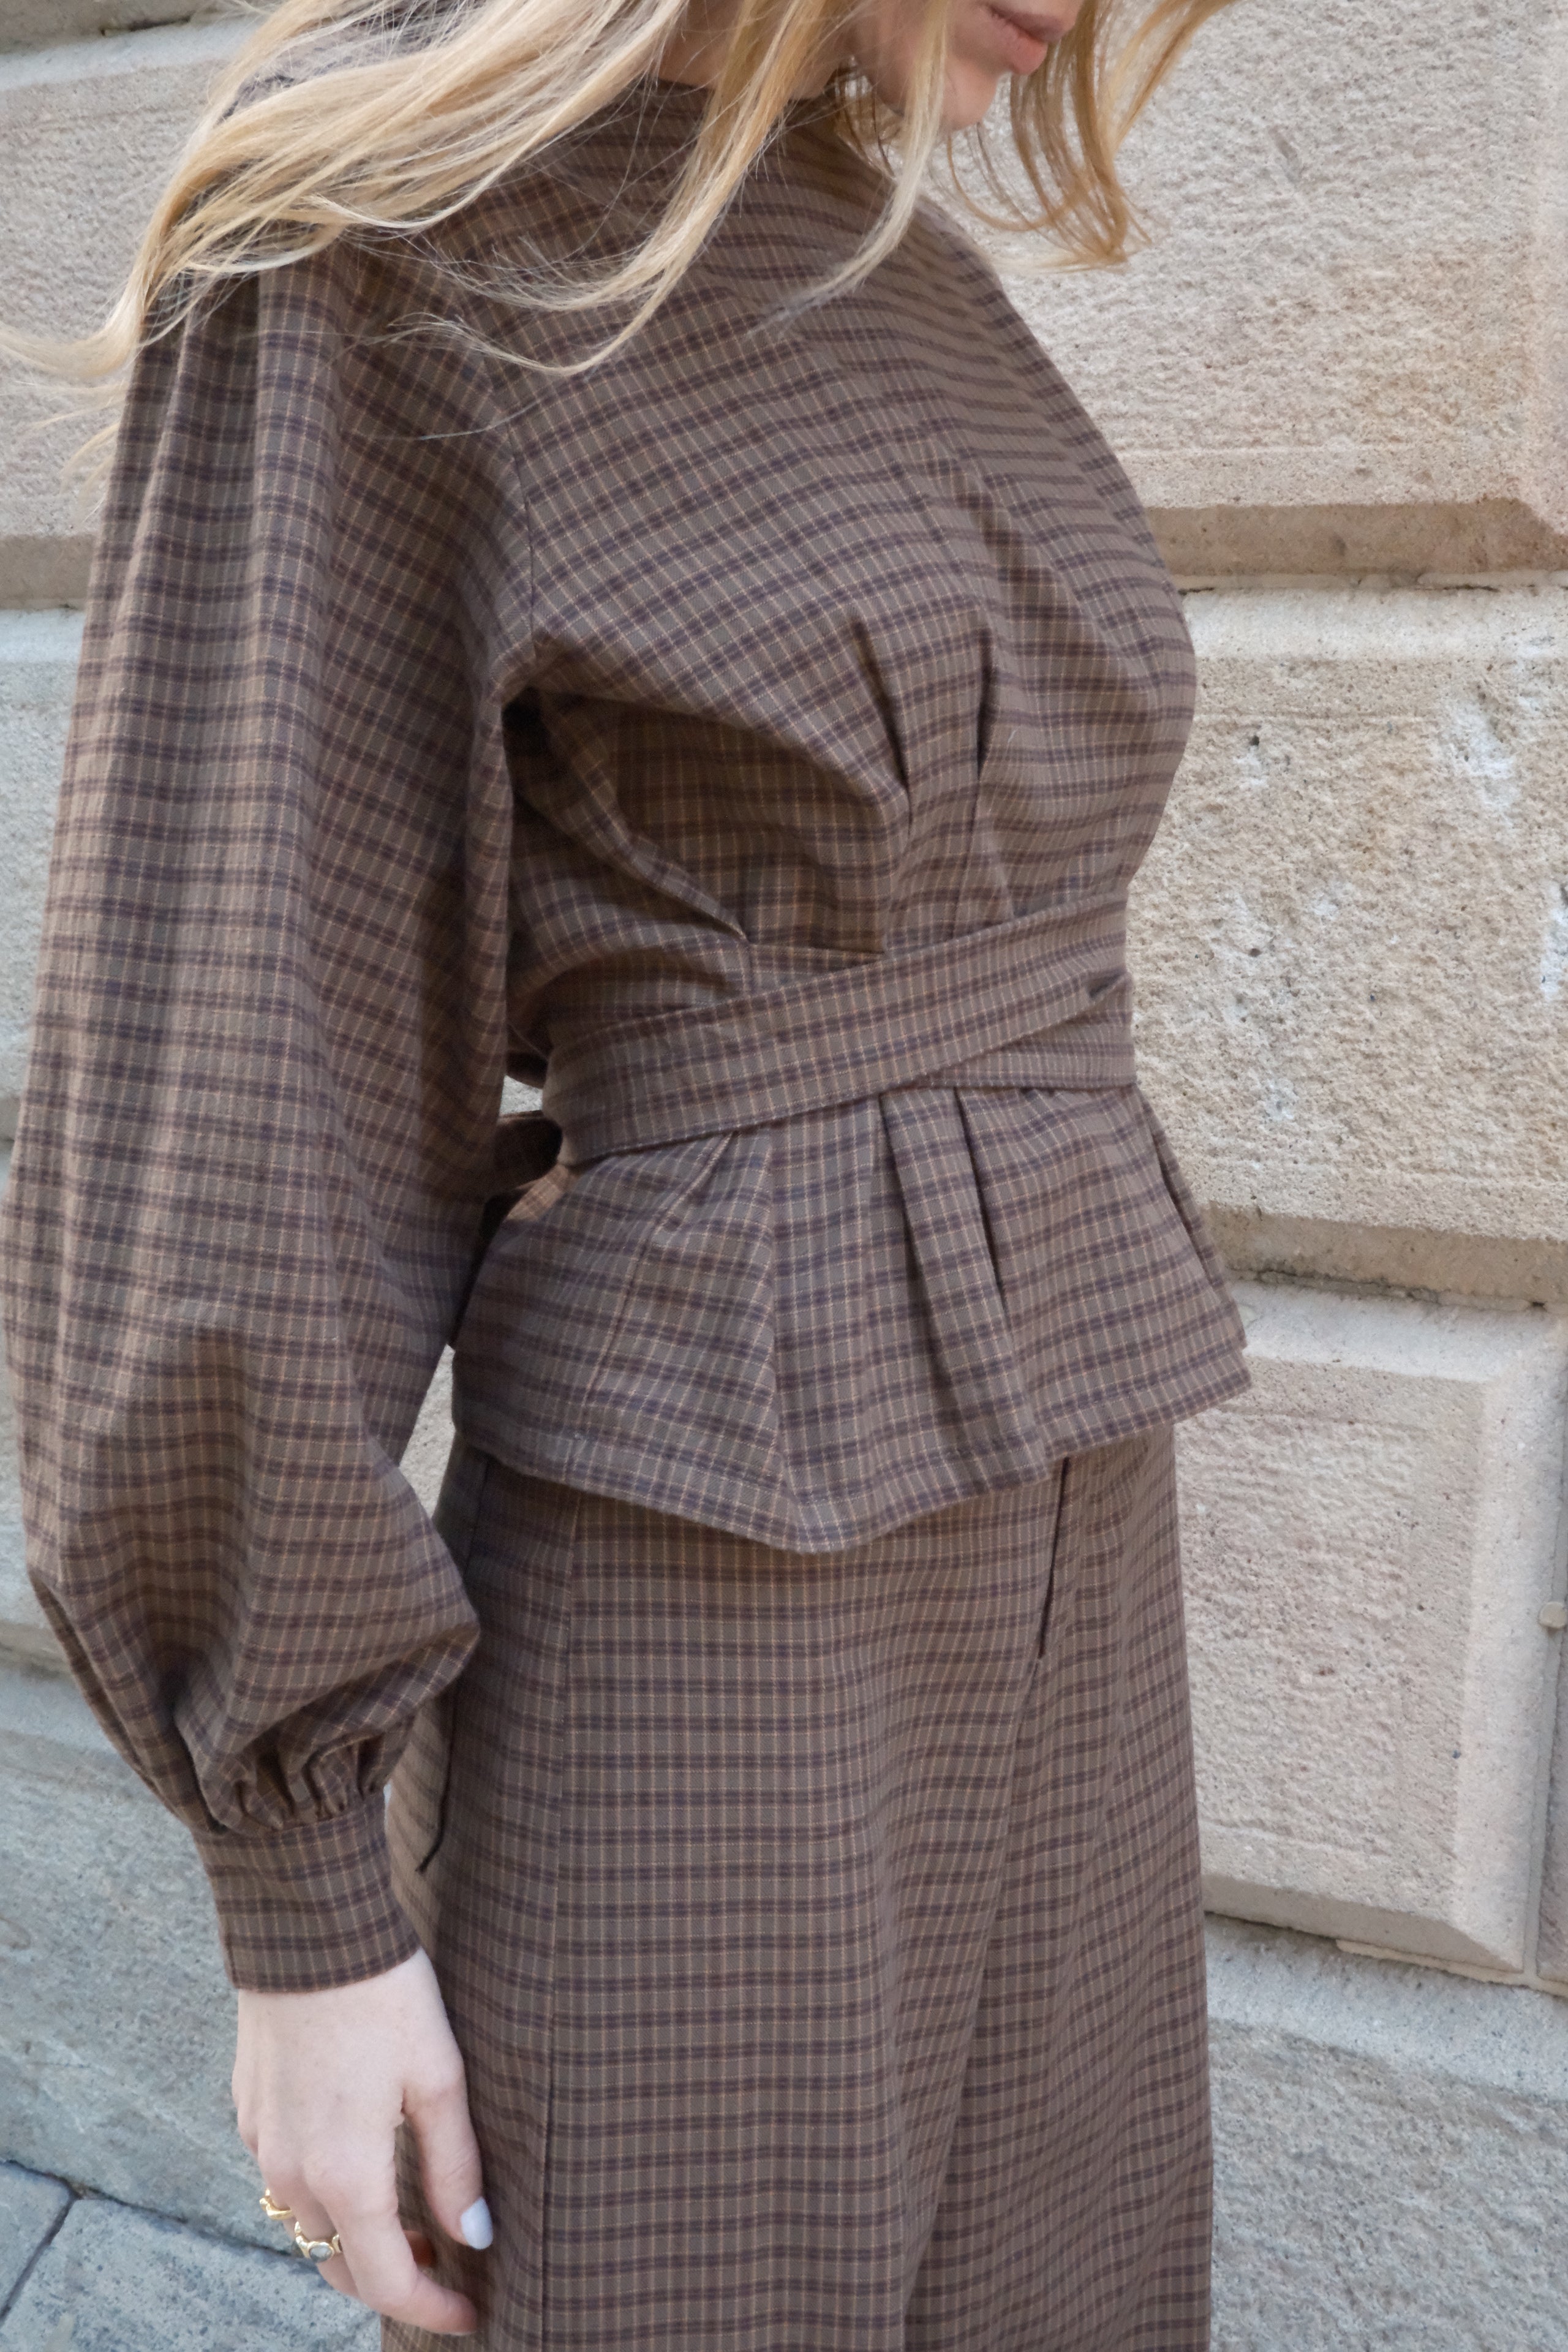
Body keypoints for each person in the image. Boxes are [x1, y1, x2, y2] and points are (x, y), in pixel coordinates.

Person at [0, 0, 1250, 2341]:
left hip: (1082, 1542)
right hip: (718, 1588)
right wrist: (309, 1919)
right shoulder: (389, 206)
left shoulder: (884, 241)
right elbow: (232, 1072)